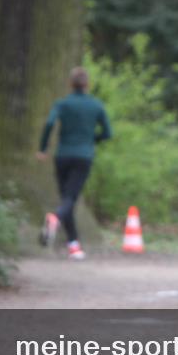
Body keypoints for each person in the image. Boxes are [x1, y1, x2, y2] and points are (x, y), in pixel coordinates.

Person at [36, 66, 112, 260]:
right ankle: (56, 219)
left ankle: (73, 244)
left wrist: (43, 148)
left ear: (71, 83)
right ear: (87, 84)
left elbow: (50, 123)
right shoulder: (96, 105)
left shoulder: (62, 104)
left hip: (62, 155)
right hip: (83, 156)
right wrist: (91, 139)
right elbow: (107, 133)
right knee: (70, 199)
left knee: (67, 199)